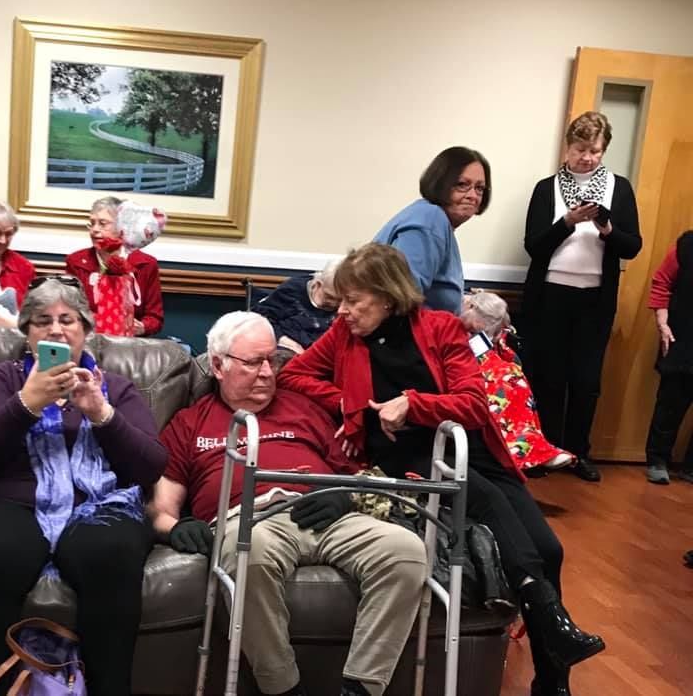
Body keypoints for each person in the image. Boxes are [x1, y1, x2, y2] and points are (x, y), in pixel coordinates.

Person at [279, 243, 604, 696]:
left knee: (549, 550)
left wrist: (414, 404)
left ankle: (551, 676)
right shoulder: (344, 336)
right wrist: (350, 405)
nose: (344, 311)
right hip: (408, 459)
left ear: (388, 297)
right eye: (343, 300)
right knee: (480, 496)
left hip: (467, 449)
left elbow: (472, 403)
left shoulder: (441, 328)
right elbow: (292, 373)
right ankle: (556, 640)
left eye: (355, 300)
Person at [152, 311, 428, 696]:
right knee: (253, 552)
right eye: (253, 362)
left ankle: (363, 688)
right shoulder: (190, 423)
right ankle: (282, 688)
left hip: (322, 512)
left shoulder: (304, 407)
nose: (267, 372)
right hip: (249, 521)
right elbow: (161, 507)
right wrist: (177, 526)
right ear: (218, 365)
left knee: (406, 551)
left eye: (273, 360)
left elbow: (356, 473)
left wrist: (344, 496)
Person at [0, 277, 166, 696]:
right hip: (9, 503)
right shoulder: (3, 380)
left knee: (112, 553)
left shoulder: (115, 387)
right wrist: (26, 405)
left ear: (86, 330)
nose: (55, 329)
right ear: (26, 333)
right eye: (41, 321)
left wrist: (101, 413)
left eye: (67, 320)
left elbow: (150, 465)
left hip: (99, 506)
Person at [522, 111, 641, 483]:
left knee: (586, 381)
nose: (586, 157)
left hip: (594, 300)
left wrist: (606, 228)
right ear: (567, 147)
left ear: (604, 150)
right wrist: (567, 223)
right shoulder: (546, 188)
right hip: (550, 297)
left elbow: (633, 246)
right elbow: (533, 247)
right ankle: (548, 451)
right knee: (548, 377)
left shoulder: (619, 189)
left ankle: (578, 453)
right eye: (580, 149)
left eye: (595, 150)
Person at [461, 291, 573, 474]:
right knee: (501, 377)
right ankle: (523, 449)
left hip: (484, 355)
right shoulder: (455, 311)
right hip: (458, 357)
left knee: (511, 373)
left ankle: (533, 445)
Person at [373, 146, 491, 314]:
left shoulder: (433, 218)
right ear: (440, 183)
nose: (473, 195)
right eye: (462, 185)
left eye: (479, 188)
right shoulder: (431, 219)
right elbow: (402, 302)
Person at [65, 196, 163, 336]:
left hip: (130, 344)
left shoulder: (146, 264)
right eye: (92, 223)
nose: (94, 230)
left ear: (121, 227)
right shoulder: (76, 262)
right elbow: (69, 311)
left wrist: (142, 327)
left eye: (102, 224)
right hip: (88, 340)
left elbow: (155, 318)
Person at [645, 230, 693, 485]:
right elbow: (662, 282)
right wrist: (663, 325)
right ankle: (657, 460)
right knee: (670, 404)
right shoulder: (686, 246)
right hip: (681, 337)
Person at [252, 259, 341, 353]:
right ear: (318, 284)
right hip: (287, 349)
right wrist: (288, 343)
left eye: (340, 300)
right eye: (329, 297)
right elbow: (263, 320)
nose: (335, 303)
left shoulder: (347, 306)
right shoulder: (293, 290)